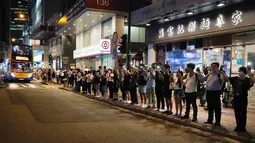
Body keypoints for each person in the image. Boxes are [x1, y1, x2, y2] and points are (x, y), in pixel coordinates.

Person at [229, 67, 255, 132]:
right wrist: (222, 72)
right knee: (237, 113)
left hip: (243, 99)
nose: (239, 72)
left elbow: (252, 82)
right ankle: (238, 126)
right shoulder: (235, 79)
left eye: (241, 71)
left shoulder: (247, 80)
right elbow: (227, 79)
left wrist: (249, 73)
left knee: (243, 113)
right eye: (239, 71)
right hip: (236, 98)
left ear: (244, 72)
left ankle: (243, 127)